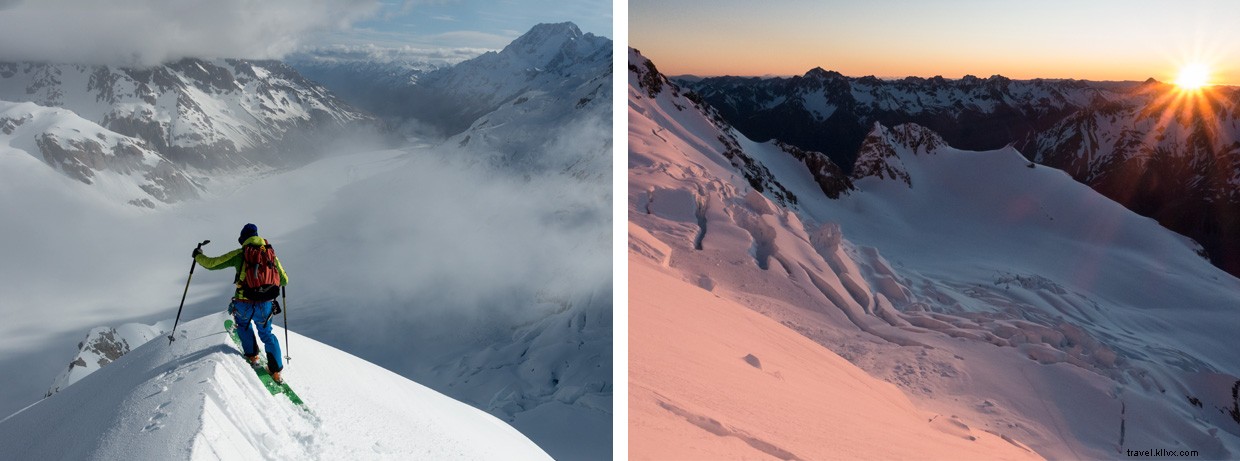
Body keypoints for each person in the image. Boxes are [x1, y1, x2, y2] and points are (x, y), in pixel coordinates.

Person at [193, 223, 290, 383]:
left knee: (244, 326)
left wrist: (197, 255)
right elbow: (285, 280)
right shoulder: (270, 254)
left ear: (243, 239)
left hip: (243, 303)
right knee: (267, 334)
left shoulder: (240, 254)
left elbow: (212, 264)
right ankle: (276, 371)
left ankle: (252, 356)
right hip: (265, 305)